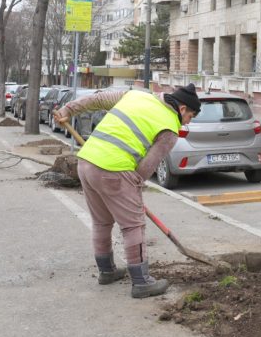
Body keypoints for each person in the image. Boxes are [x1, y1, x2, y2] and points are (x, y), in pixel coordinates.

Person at [54, 83, 201, 299]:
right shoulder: (170, 129)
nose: (189, 121)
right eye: (191, 116)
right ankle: (141, 282)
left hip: (86, 162)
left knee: (102, 222)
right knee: (133, 225)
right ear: (182, 109)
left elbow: (97, 99)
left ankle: (107, 271)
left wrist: (68, 109)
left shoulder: (136, 96)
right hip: (113, 168)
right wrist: (133, 187)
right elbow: (146, 168)